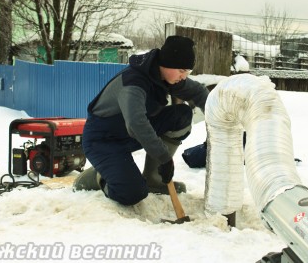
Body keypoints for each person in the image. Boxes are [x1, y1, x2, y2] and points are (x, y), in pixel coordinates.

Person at [73, 35, 210, 206]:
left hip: (128, 135)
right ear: (167, 63)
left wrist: (216, 122)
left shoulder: (168, 77)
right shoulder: (133, 83)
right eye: (181, 71)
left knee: (181, 116)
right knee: (131, 193)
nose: (184, 77)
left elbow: (200, 93)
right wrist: (164, 157)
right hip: (103, 141)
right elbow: (136, 124)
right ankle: (100, 175)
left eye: (187, 72)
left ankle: (154, 180)